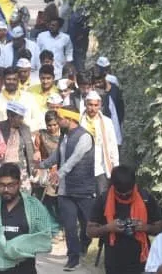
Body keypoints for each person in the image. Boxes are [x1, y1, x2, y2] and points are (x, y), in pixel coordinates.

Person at [0, 162, 59, 274]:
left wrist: (15, 247)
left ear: (18, 184)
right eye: (1, 185)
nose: (5, 190)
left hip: (24, 269)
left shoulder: (33, 207)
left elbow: (44, 237)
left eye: (10, 185)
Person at [38, 106, 95, 271]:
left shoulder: (85, 137)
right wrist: (42, 165)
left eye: (60, 118)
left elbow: (75, 158)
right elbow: (59, 155)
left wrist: (60, 173)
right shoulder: (64, 135)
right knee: (69, 226)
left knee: (88, 224)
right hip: (65, 190)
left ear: (70, 119)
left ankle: (84, 245)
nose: (57, 121)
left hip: (83, 189)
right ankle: (73, 257)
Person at [86, 165, 162, 274]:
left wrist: (145, 227)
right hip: (114, 262)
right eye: (120, 194)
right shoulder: (104, 199)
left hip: (141, 260)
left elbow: (160, 227)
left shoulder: (145, 197)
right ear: (113, 186)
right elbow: (89, 231)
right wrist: (108, 227)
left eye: (128, 194)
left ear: (133, 186)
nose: (124, 196)